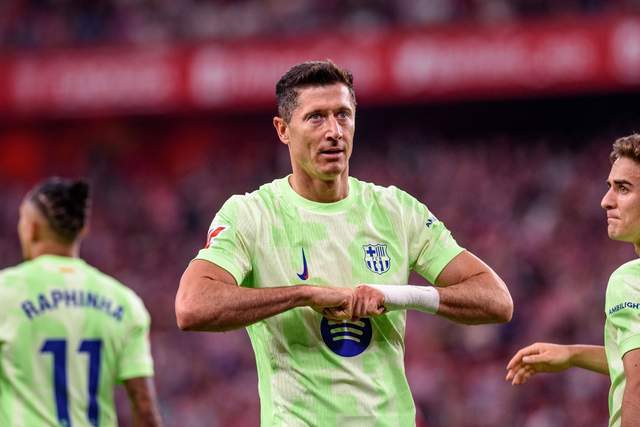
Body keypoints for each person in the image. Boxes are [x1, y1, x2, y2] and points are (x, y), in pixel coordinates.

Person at [176, 60, 513, 426]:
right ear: (283, 130)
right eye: (316, 118)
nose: (334, 131)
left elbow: (497, 300)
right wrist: (304, 295)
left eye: (343, 115)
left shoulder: (395, 210)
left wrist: (396, 296)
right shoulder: (252, 215)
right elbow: (192, 306)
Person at [0, 178, 162, 427]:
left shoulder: (6, 292)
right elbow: (144, 407)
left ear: (31, 228)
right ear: (83, 229)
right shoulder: (124, 302)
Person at [506, 134, 640, 427]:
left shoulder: (630, 280)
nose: (606, 201)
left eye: (623, 189)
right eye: (610, 187)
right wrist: (572, 354)